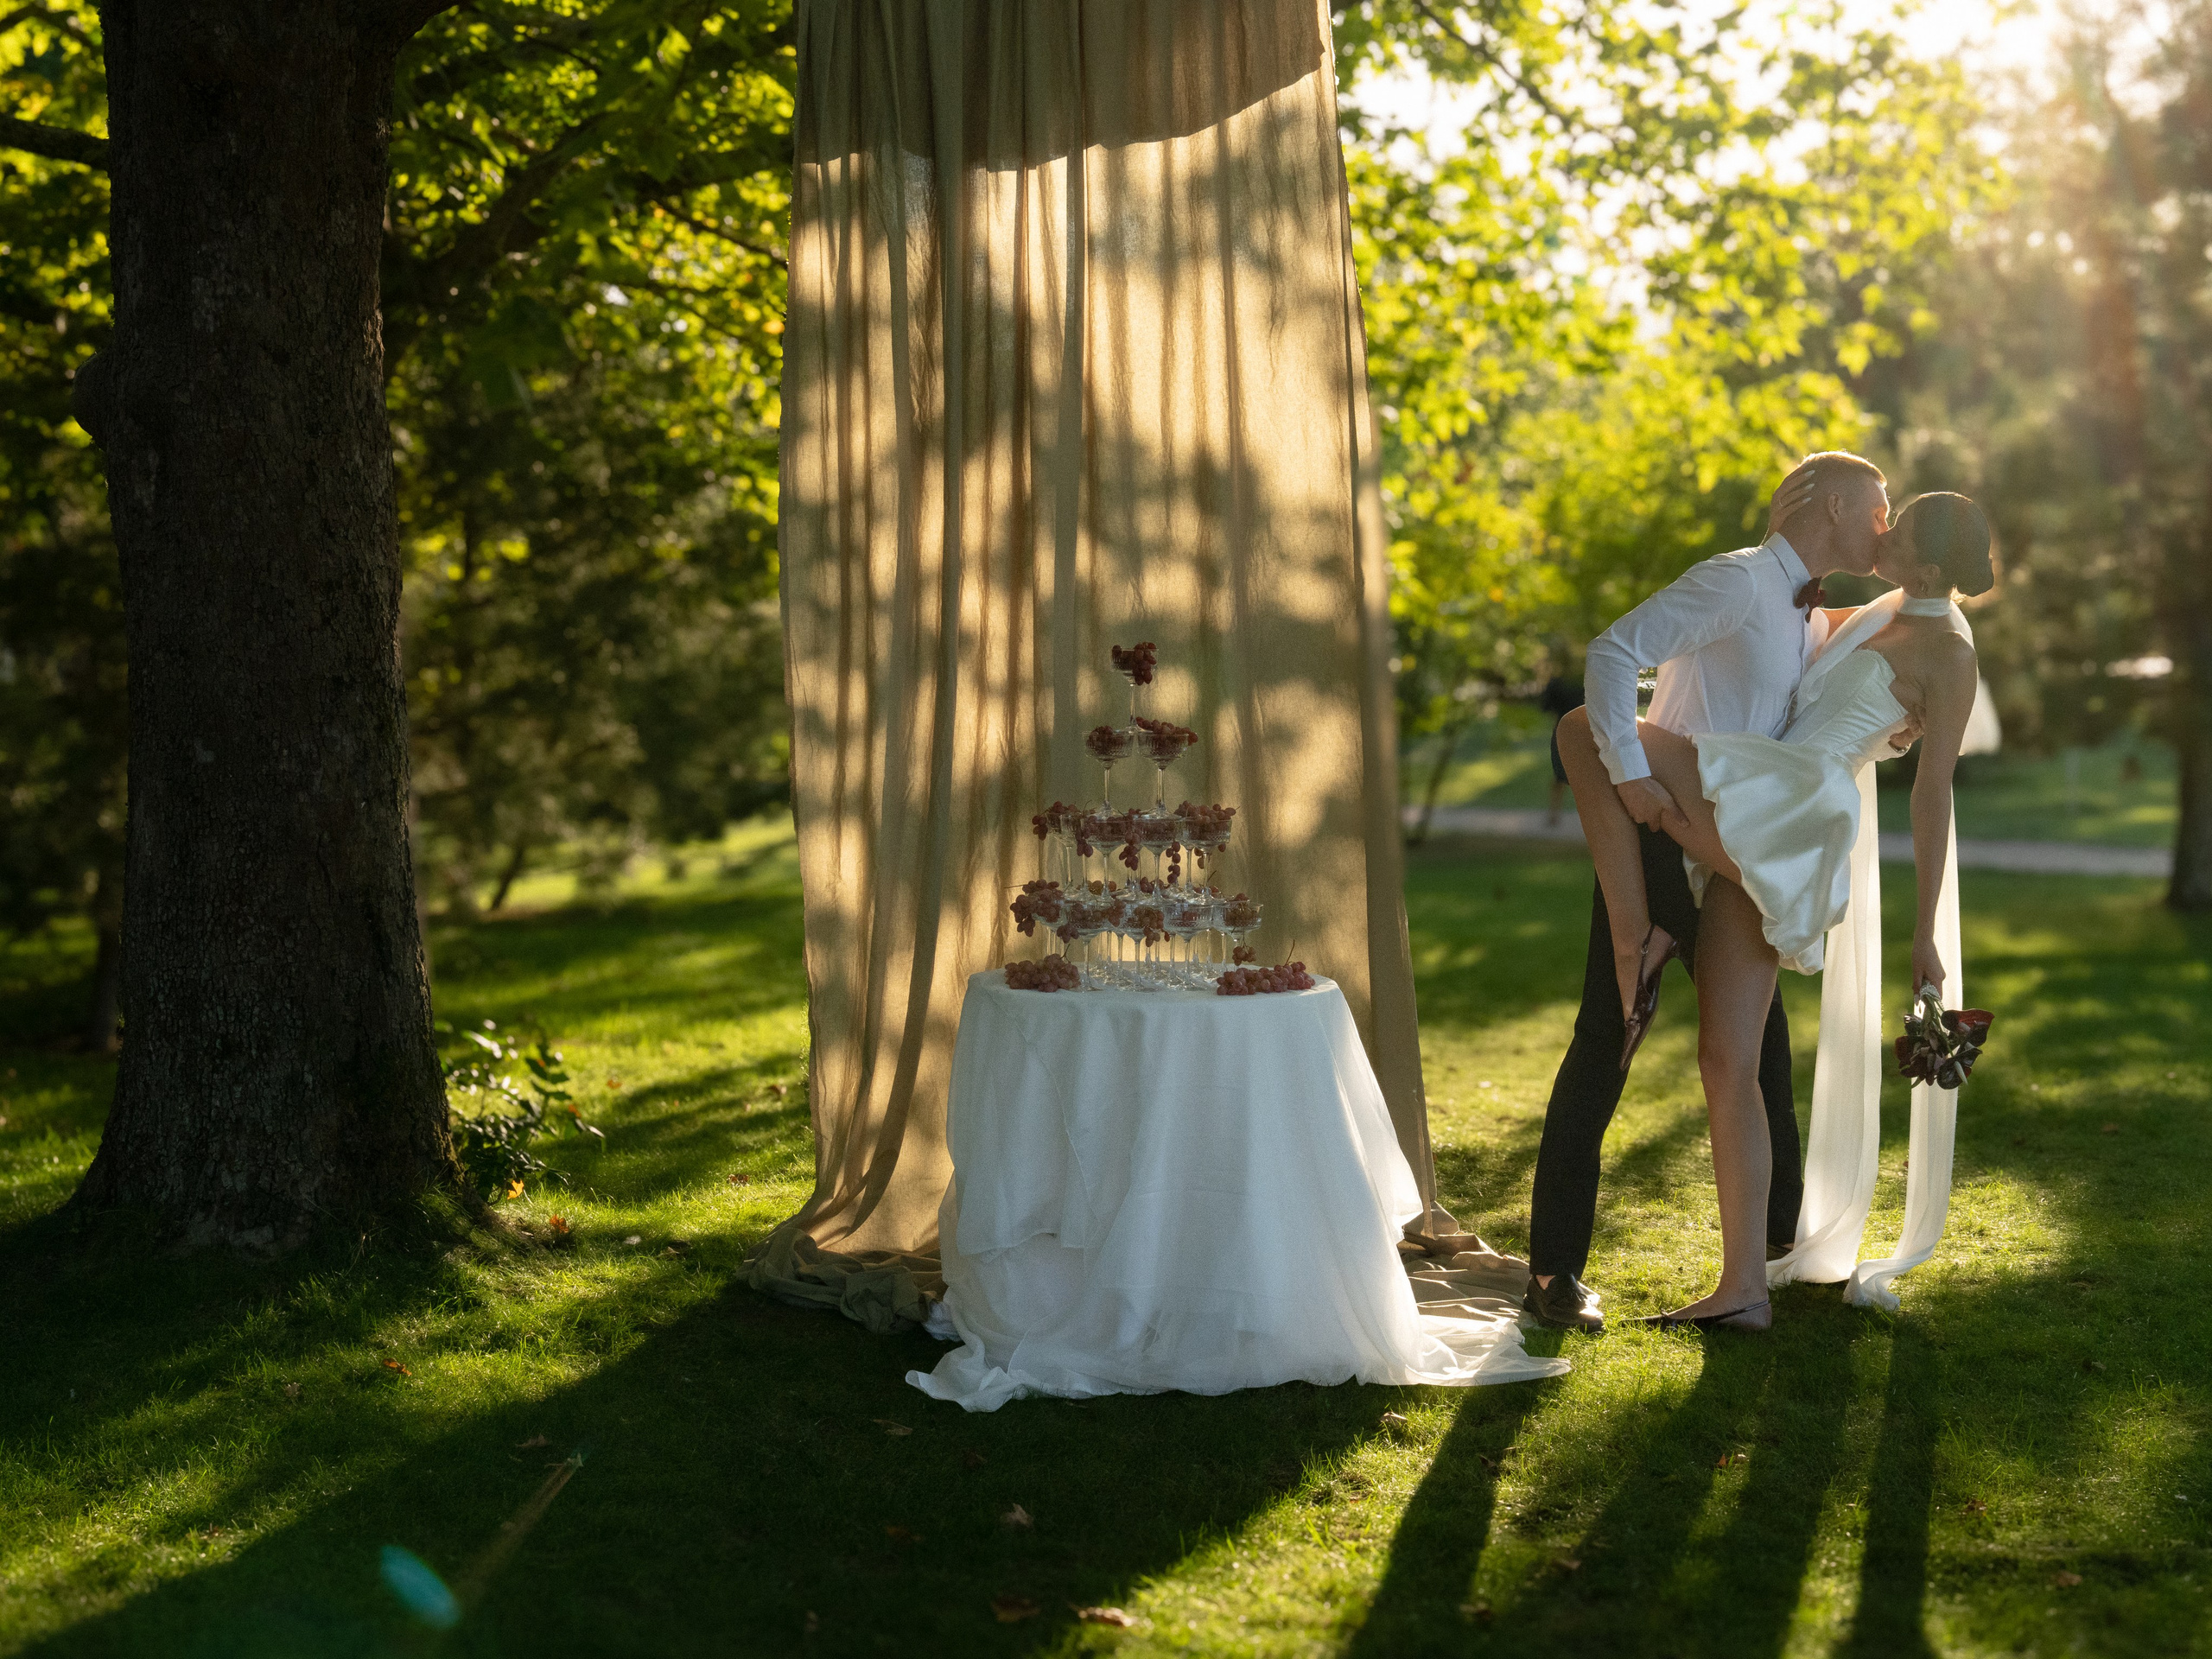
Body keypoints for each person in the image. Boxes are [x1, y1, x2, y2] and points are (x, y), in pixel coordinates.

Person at [1552, 489, 1995, 1330]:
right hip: (1761, 792)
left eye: (1896, 533)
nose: (1881, 531)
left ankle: (1632, 935)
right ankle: (1743, 1289)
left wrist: (1928, 928)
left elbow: (1932, 796)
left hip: (1795, 802)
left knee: (1586, 729)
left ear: (1933, 568)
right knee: (1727, 1062)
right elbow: (1803, 657)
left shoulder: (1950, 652)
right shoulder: (1879, 606)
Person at [1521, 452, 1889, 1336]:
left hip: (1736, 865)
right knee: (1605, 1038)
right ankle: (1554, 1272)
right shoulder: (1735, 580)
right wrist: (1632, 777)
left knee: (1761, 1057)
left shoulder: (1810, 619)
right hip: (1659, 846)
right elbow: (1614, 652)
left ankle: (1774, 1256)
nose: (1886, 525)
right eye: (1877, 509)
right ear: (1834, 506)